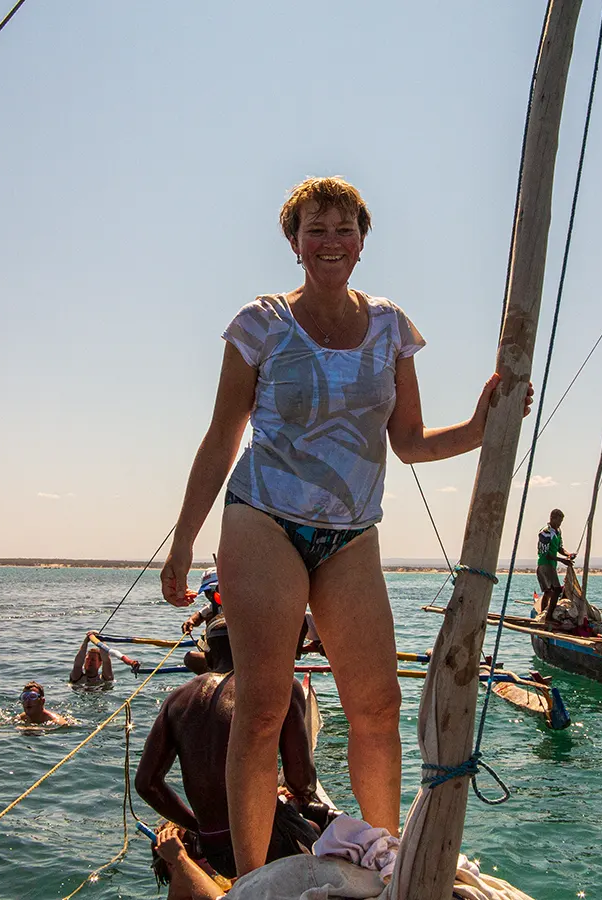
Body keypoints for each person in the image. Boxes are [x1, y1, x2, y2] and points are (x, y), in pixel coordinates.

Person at [159, 176, 532, 875]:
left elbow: (412, 441)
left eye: (343, 229)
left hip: (353, 532)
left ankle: (388, 857)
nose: (330, 241)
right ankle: (249, 877)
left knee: (379, 703)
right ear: (294, 243)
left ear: (362, 241)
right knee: (265, 706)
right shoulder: (261, 323)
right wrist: (183, 541)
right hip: (263, 518)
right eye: (315, 229)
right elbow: (220, 438)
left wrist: (483, 426)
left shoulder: (391, 327)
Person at [134, 615, 323, 880]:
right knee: (318, 830)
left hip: (217, 850)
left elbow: (146, 784)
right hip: (269, 842)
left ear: (209, 658)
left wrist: (198, 827)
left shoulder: (176, 700)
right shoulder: (280, 684)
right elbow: (301, 779)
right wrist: (300, 794)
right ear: (252, 647)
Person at [536, 508, 576, 626]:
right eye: (558, 521)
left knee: (549, 592)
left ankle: (545, 614)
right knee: (555, 590)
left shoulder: (557, 532)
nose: (559, 524)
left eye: (561, 522)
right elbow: (547, 554)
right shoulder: (545, 532)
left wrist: (568, 554)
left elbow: (559, 548)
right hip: (545, 564)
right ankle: (548, 617)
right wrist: (562, 560)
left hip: (552, 565)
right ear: (552, 518)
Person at [182, 568, 223, 675]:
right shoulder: (213, 607)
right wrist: (190, 622)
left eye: (213, 591)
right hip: (216, 656)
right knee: (191, 658)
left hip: (238, 656)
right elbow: (199, 616)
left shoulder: (240, 604)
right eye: (207, 592)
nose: (210, 595)